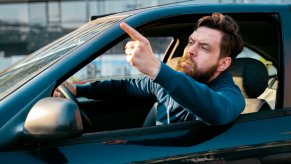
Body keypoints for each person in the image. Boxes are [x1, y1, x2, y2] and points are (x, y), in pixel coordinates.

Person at [54, 13, 245, 126]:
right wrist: (78, 90)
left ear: (223, 64)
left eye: (204, 47)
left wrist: (156, 68)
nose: (190, 51)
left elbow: (219, 111)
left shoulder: (230, 95)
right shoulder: (167, 83)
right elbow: (124, 87)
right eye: (191, 42)